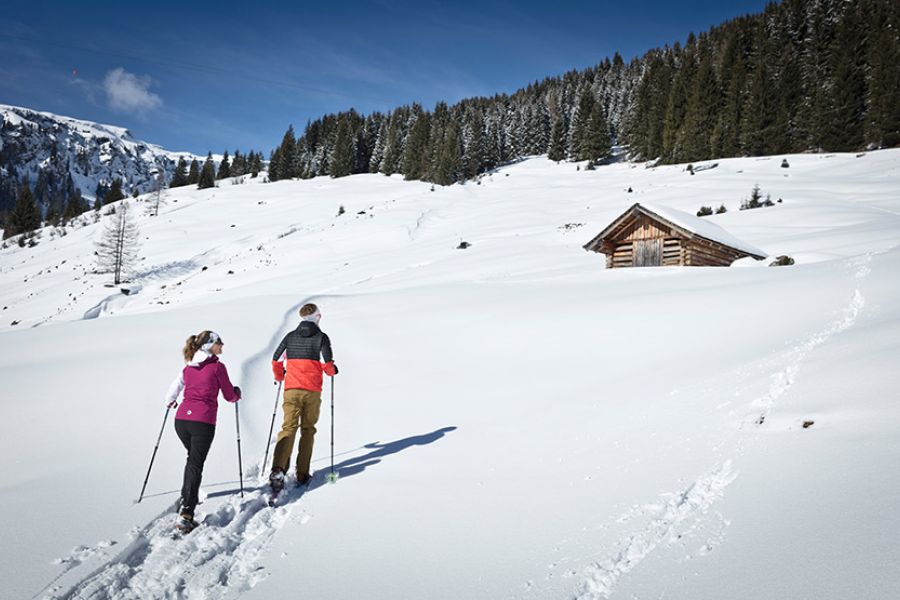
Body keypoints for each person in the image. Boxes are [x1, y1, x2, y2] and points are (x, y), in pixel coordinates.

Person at [165, 330, 241, 534]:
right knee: (195, 463)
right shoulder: (217, 367)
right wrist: (236, 394)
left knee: (193, 461)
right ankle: (186, 514)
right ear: (209, 345)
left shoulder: (188, 367)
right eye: (219, 343)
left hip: (181, 421)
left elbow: (175, 386)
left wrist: (170, 400)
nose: (222, 347)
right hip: (202, 422)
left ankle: (187, 496)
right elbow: (228, 395)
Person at [269, 303, 338, 491]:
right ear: (317, 317)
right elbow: (328, 364)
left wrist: (280, 376)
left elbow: (276, 359)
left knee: (288, 428)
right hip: (312, 391)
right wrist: (332, 371)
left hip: (291, 389)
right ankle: (302, 473)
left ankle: (277, 470)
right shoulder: (321, 338)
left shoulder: (290, 337)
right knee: (308, 430)